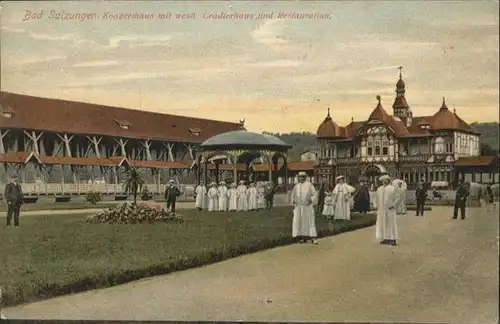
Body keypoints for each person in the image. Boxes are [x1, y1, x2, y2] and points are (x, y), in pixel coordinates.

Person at [291, 171, 318, 244]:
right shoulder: (296, 186)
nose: (301, 178)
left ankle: (313, 237)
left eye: (303, 177)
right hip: (299, 206)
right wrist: (294, 200)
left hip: (307, 206)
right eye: (300, 177)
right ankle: (302, 237)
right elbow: (292, 195)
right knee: (300, 221)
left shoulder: (309, 185)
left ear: (305, 177)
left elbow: (315, 194)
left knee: (310, 221)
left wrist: (311, 199)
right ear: (298, 178)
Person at [374, 175, 401, 246]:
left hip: (390, 209)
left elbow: (398, 198)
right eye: (383, 181)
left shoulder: (393, 189)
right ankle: (385, 238)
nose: (384, 182)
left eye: (386, 180)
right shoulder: (379, 189)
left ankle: (393, 239)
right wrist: (376, 205)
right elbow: (375, 198)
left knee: (391, 224)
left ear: (389, 181)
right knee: (383, 223)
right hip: (381, 210)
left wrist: (393, 205)